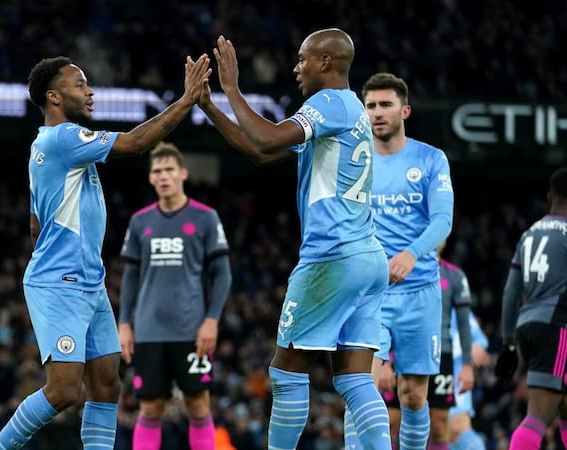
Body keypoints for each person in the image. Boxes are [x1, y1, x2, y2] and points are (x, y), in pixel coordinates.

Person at [0, 54, 211, 449]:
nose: (89, 90)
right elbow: (136, 142)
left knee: (107, 384)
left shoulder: (48, 144)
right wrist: (187, 99)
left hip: (89, 281)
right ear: (54, 97)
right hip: (61, 281)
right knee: (63, 391)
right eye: (79, 84)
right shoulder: (64, 137)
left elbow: (35, 222)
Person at [198, 30, 392, 449]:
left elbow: (266, 137)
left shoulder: (327, 103)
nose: (296, 67)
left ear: (325, 61)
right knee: (355, 379)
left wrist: (230, 89)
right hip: (368, 258)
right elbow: (263, 153)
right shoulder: (353, 110)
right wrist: (209, 107)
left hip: (332, 258)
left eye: (303, 59)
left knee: (286, 372)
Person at [344, 72, 454, 450]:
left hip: (420, 292)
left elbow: (443, 219)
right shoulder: (353, 161)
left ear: (404, 110)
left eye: (385, 104)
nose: (377, 112)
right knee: (363, 385)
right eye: (370, 106)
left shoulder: (430, 159)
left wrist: (411, 253)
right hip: (369, 293)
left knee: (412, 395)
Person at [117, 142, 233, 450]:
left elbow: (223, 274)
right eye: (157, 171)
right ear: (150, 178)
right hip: (149, 330)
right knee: (150, 407)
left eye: (169, 169)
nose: (163, 176)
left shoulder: (206, 217)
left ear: (183, 173)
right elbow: (130, 276)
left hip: (191, 329)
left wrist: (212, 320)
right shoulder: (140, 221)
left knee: (198, 405)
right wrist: (124, 323)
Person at [379, 240, 475, 450]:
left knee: (440, 423)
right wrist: (383, 360)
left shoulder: (454, 276)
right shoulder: (403, 268)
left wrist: (467, 365)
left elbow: (464, 324)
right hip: (401, 352)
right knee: (391, 420)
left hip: (442, 354)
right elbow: (386, 314)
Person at [498, 167, 567, 450]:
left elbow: (511, 291)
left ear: (550, 196)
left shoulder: (529, 235)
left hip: (528, 326)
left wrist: (508, 343)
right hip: (557, 326)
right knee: (538, 416)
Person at [449, 309, 489, 450]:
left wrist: (474, 346)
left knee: (458, 429)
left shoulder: (457, 308)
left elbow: (480, 340)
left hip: (455, 376)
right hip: (423, 375)